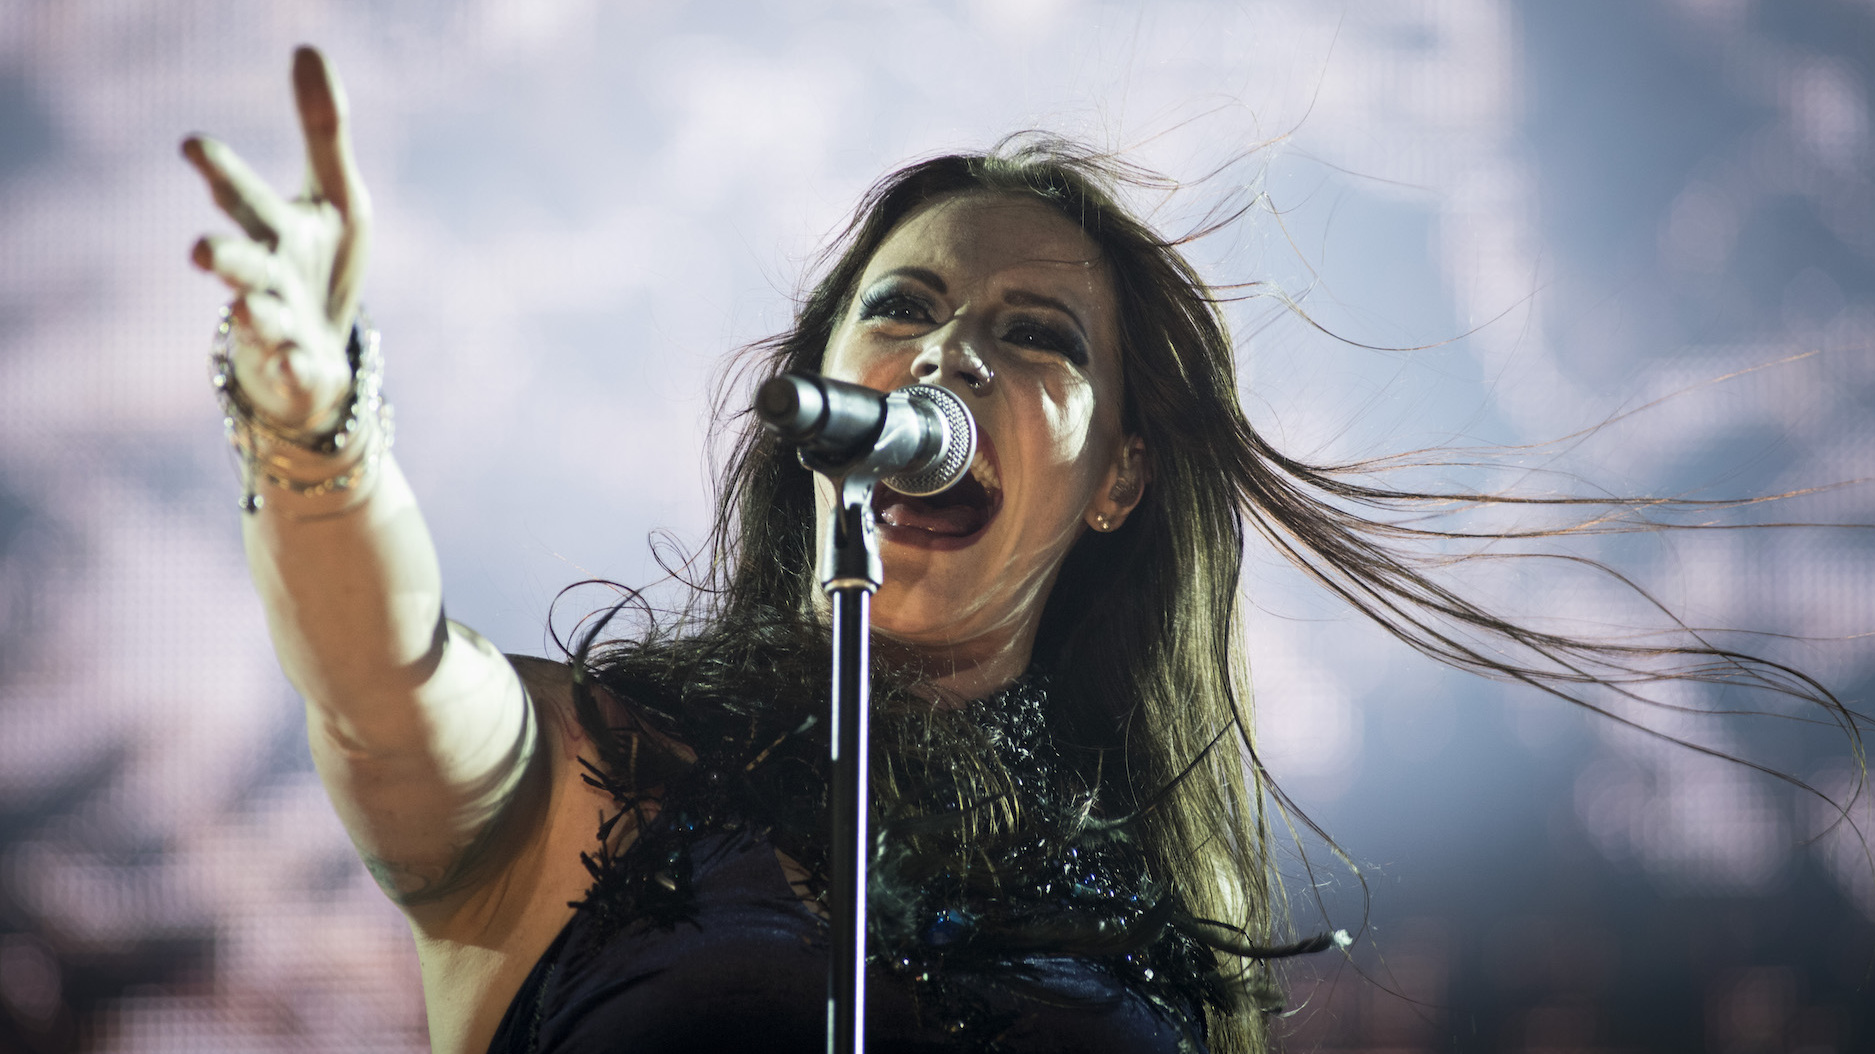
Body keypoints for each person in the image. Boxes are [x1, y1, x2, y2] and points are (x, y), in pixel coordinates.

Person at [182, 48, 1858, 1054]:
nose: (947, 358)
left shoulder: (1152, 917)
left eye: (1031, 332)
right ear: (818, 390)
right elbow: (386, 679)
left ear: (1119, 480)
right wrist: (316, 421)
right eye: (901, 307)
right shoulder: (594, 774)